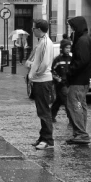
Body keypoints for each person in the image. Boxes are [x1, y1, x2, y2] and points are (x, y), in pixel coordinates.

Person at [66, 16, 91, 145]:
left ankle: (81, 133)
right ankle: (80, 132)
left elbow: (81, 61)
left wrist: (69, 71)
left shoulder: (83, 40)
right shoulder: (86, 38)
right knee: (81, 105)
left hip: (78, 80)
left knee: (75, 105)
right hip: (82, 80)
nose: (71, 29)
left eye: (72, 26)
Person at [28, 20, 56, 150]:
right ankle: (43, 137)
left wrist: (34, 74)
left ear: (39, 29)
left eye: (34, 28)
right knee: (42, 110)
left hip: (42, 80)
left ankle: (48, 140)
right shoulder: (42, 41)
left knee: (44, 110)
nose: (32, 30)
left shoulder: (44, 42)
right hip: (41, 80)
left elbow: (44, 64)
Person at [51, 38, 73, 123]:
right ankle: (71, 119)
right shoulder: (58, 59)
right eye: (66, 48)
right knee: (67, 101)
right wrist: (59, 80)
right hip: (60, 84)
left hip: (68, 84)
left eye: (69, 48)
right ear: (62, 48)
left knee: (59, 101)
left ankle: (51, 115)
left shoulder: (71, 59)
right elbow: (52, 71)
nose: (68, 49)